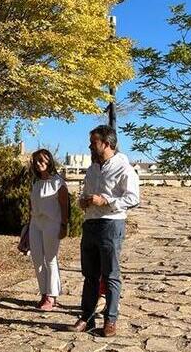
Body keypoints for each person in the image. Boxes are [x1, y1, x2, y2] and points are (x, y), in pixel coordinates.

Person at [70, 125, 140, 337]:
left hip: (111, 224)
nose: (90, 146)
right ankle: (87, 317)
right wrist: (84, 201)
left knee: (110, 275)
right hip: (90, 224)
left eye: (94, 142)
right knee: (89, 275)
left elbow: (133, 198)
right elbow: (87, 193)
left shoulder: (124, 168)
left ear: (107, 144)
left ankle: (110, 320)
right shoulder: (92, 169)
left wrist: (105, 201)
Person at [25, 149, 69, 311]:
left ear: (49, 161)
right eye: (36, 161)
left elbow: (65, 206)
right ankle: (44, 292)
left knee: (50, 259)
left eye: (42, 160)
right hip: (36, 224)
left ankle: (52, 295)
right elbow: (32, 205)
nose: (39, 164)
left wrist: (64, 225)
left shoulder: (58, 182)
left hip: (52, 223)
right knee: (37, 260)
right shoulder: (36, 182)